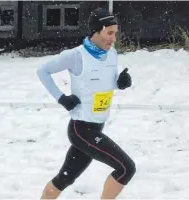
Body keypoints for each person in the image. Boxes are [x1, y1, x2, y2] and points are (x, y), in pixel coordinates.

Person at [36, 7, 136, 199]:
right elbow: (43, 71)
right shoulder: (75, 56)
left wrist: (120, 83)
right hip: (81, 130)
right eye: (109, 33)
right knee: (126, 168)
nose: (113, 38)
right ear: (96, 32)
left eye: (115, 33)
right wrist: (61, 98)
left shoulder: (112, 53)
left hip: (97, 127)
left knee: (64, 179)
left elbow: (106, 82)